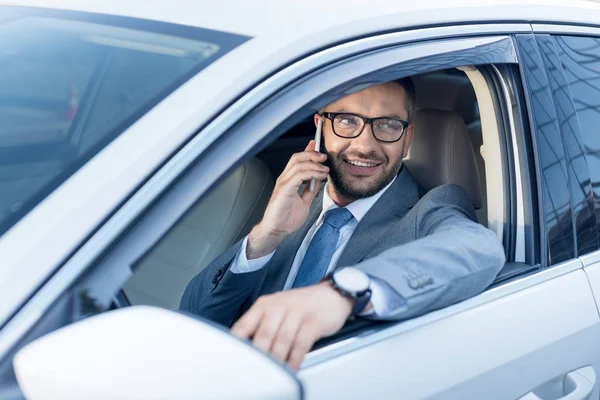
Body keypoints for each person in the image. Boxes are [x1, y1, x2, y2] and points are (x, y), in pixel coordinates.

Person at [180, 78, 505, 370]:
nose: (364, 145)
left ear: (407, 140)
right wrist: (266, 236)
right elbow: (195, 318)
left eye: (388, 125)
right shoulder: (293, 198)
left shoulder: (429, 208)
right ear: (321, 127)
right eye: (347, 121)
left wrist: (344, 293)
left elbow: (478, 247)